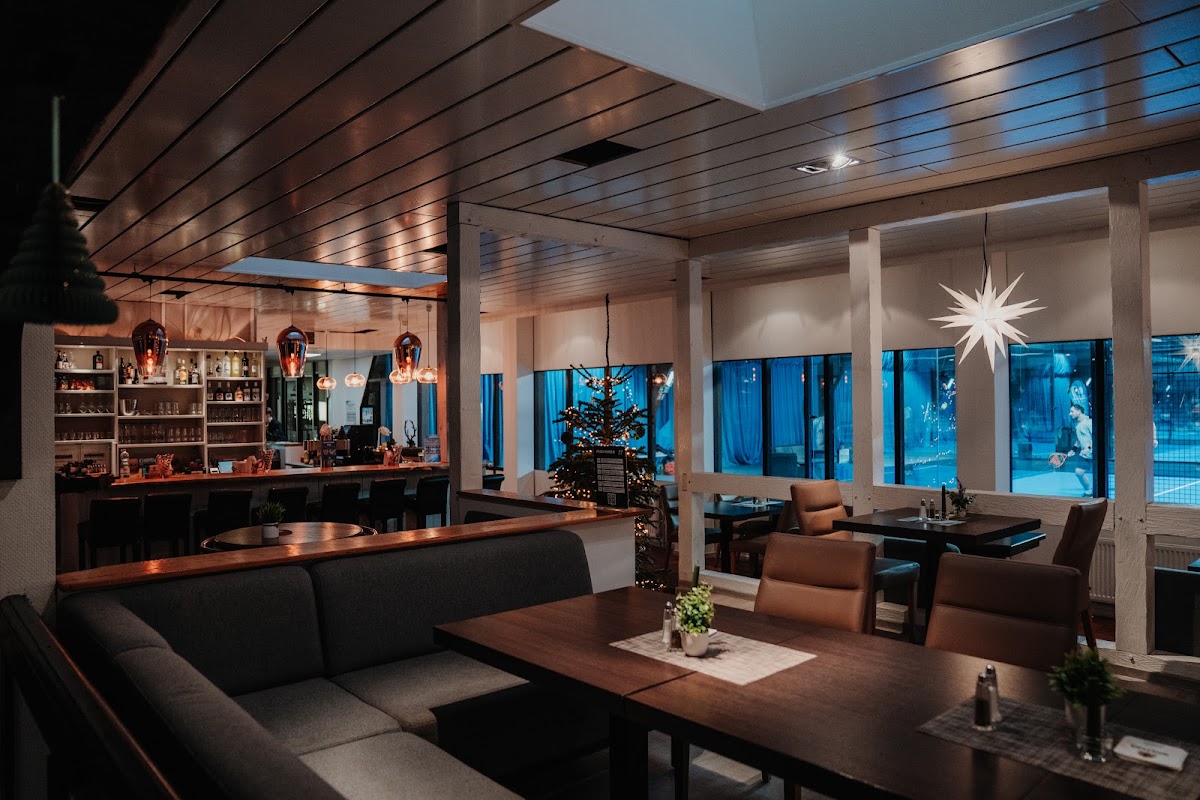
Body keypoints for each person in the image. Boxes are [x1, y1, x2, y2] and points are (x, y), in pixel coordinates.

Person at [1066, 402, 1093, 496]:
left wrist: (1089, 448)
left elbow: (1096, 436)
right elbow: (1079, 439)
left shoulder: (1089, 422)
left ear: (1079, 411)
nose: (1070, 414)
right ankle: (1088, 491)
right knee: (1079, 472)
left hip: (1094, 453)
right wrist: (1073, 449)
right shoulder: (1078, 425)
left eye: (1072, 411)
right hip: (1085, 454)